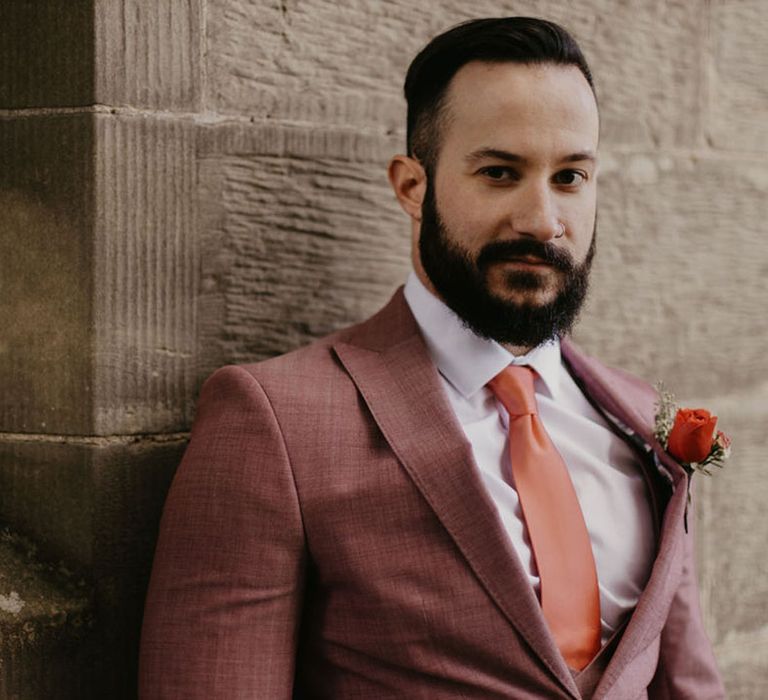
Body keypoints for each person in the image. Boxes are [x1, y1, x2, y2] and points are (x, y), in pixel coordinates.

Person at [139, 17, 725, 699]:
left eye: (570, 176)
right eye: (500, 173)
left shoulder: (639, 421)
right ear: (412, 187)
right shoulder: (275, 421)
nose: (541, 219)